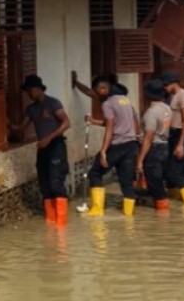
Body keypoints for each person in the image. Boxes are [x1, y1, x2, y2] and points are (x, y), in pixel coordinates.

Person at [75, 73, 140, 216]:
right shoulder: (125, 101)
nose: (97, 95)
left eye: (98, 91)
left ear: (104, 88)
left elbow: (110, 127)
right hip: (131, 145)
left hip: (117, 145)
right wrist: (93, 121)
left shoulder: (108, 103)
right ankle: (129, 215)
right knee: (126, 181)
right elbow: (120, 122)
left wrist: (104, 150)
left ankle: (97, 210)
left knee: (95, 173)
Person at [12, 75, 72, 225]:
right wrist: (5, 122)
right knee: (44, 183)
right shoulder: (31, 109)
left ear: (39, 89)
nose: (28, 94)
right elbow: (20, 127)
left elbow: (66, 123)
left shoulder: (53, 103)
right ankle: (50, 222)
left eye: (30, 90)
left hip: (56, 146)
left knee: (56, 182)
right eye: (26, 91)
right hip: (42, 149)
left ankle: (61, 223)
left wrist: (48, 138)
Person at [161, 71, 184, 206]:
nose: (165, 88)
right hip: (175, 134)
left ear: (173, 84)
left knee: (173, 171)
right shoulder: (173, 96)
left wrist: (181, 144)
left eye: (166, 85)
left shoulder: (183, 96)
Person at [136, 79, 173, 212]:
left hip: (154, 150)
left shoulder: (151, 113)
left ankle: (163, 216)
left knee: (156, 185)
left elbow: (149, 138)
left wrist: (140, 160)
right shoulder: (166, 108)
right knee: (158, 181)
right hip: (165, 147)